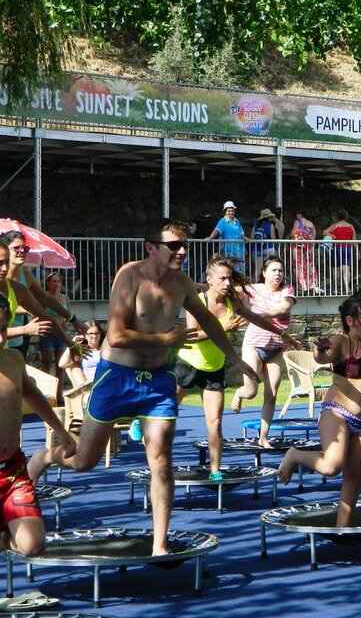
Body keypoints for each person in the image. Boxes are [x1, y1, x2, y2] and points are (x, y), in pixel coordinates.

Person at [28, 219, 260, 556]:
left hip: (156, 381)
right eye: (174, 246)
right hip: (116, 377)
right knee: (84, 461)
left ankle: (159, 544)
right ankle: (44, 457)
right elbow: (116, 335)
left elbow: (209, 321)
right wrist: (166, 338)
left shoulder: (182, 283)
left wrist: (235, 358)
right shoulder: (130, 275)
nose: (182, 252)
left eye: (185, 246)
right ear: (151, 248)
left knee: (162, 460)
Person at [277, 281, 361, 527]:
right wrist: (320, 350)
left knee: (353, 478)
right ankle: (295, 455)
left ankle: (343, 528)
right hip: (336, 412)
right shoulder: (341, 341)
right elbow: (322, 357)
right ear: (350, 321)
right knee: (332, 466)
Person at [175, 255, 300, 479]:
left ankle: (215, 472)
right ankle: (141, 423)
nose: (227, 283)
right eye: (222, 278)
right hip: (188, 364)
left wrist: (283, 335)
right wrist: (224, 328)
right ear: (209, 279)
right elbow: (193, 336)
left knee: (215, 424)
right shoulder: (197, 301)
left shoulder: (232, 302)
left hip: (214, 368)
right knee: (165, 411)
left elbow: (256, 318)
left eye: (230, 278)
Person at [0, 298, 76, 559]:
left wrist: (61, 431)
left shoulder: (13, 359)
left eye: (3, 329)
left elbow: (33, 395)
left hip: (13, 471)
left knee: (34, 546)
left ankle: (6, 537)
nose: (1, 338)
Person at [229, 256, 297, 448]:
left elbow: (283, 309)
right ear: (264, 273)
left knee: (272, 395)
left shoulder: (287, 291)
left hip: (275, 349)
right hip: (254, 346)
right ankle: (240, 394)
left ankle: (263, 437)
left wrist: (255, 316)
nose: (278, 274)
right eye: (274, 270)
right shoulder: (254, 289)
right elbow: (229, 290)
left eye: (280, 271)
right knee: (251, 392)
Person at [0, 231, 80, 357]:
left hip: (12, 348)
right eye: (17, 248)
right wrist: (24, 328)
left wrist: (71, 342)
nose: (4, 268)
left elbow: (45, 310)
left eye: (25, 248)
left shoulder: (19, 287)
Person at [38, 272, 71, 402]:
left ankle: (58, 395)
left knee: (60, 367)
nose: (56, 284)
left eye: (58, 281)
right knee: (46, 366)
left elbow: (69, 314)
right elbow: (38, 313)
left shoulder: (64, 297)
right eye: (53, 281)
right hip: (48, 334)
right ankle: (45, 395)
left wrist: (67, 324)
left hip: (61, 334)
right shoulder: (44, 297)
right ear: (48, 283)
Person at [59, 319, 103, 387]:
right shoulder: (81, 351)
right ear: (85, 335)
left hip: (105, 383)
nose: (94, 336)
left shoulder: (106, 350)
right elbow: (62, 364)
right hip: (88, 385)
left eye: (97, 333)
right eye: (91, 333)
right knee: (75, 368)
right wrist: (73, 343)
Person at [206, 201, 247, 271]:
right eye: (229, 211)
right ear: (225, 212)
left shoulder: (237, 221)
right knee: (232, 268)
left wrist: (245, 239)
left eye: (232, 211)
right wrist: (210, 237)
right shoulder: (223, 221)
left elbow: (241, 233)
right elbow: (217, 230)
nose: (231, 212)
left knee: (241, 268)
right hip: (229, 250)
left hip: (239, 249)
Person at [325, 210, 356, 294]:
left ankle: (335, 288)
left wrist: (332, 235)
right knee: (346, 269)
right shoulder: (351, 226)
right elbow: (354, 240)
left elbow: (324, 232)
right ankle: (347, 288)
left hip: (337, 248)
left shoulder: (335, 226)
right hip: (348, 248)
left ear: (338, 217)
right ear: (346, 217)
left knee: (335, 268)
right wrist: (357, 251)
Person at [290, 213, 320, 294]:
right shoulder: (311, 223)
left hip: (298, 246)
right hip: (308, 247)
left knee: (299, 266)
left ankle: (303, 287)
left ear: (300, 214)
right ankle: (312, 285)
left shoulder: (298, 222)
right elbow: (313, 236)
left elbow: (293, 234)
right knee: (310, 266)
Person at [250, 208, 279, 277]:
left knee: (257, 270)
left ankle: (256, 283)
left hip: (256, 250)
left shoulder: (256, 225)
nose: (271, 218)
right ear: (267, 217)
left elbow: (251, 237)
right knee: (270, 269)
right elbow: (273, 238)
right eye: (270, 217)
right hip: (268, 249)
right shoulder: (270, 225)